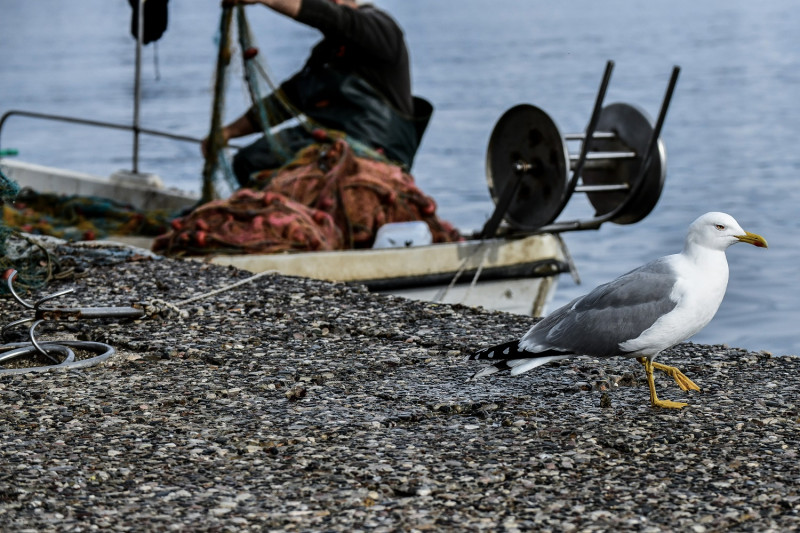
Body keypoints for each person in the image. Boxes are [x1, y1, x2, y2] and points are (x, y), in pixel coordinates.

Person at [205, 0, 432, 187]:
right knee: (249, 160)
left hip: (375, 152)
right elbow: (285, 102)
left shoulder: (379, 28)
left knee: (272, 165)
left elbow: (336, 18)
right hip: (325, 145)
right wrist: (227, 133)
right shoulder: (325, 54)